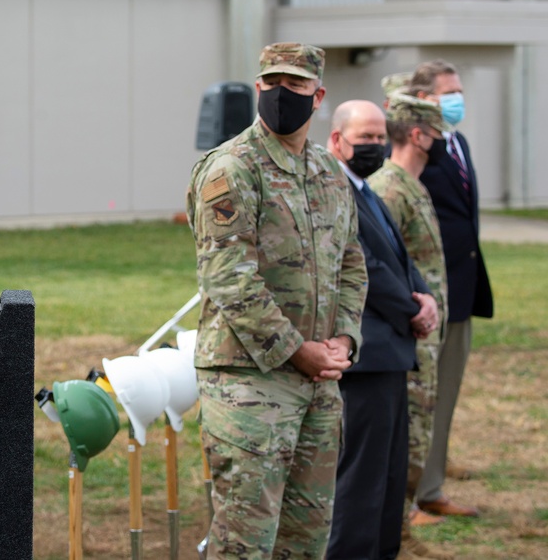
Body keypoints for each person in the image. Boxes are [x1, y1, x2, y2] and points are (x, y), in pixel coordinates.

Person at [186, 42, 368, 559]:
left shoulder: (330, 172)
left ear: (319, 96)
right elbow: (228, 277)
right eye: (271, 83)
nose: (280, 94)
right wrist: (297, 350)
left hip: (318, 384)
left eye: (295, 86)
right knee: (244, 542)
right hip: (248, 383)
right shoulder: (232, 168)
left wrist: (344, 339)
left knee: (305, 541)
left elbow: (352, 261)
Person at [325, 100, 439, 560]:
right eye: (363, 138)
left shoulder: (367, 190)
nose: (373, 146)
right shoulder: (335, 190)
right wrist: (409, 308)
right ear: (337, 140)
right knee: (362, 481)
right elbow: (361, 264)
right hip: (367, 355)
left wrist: (424, 294)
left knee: (390, 477)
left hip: (392, 353)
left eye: (378, 137)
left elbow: (398, 255)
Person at [370, 91, 455, 560]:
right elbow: (382, 267)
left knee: (415, 438)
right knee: (403, 440)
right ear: (419, 135)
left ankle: (399, 531)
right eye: (439, 133)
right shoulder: (390, 188)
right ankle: (393, 533)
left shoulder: (412, 184)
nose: (443, 141)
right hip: (404, 339)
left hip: (423, 336)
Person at [412, 59, 491, 520]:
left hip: (462, 289)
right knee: (421, 397)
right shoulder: (414, 150)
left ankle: (431, 486)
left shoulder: (457, 141)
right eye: (450, 92)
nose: (458, 99)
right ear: (425, 100)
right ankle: (415, 492)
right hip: (427, 296)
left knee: (446, 393)